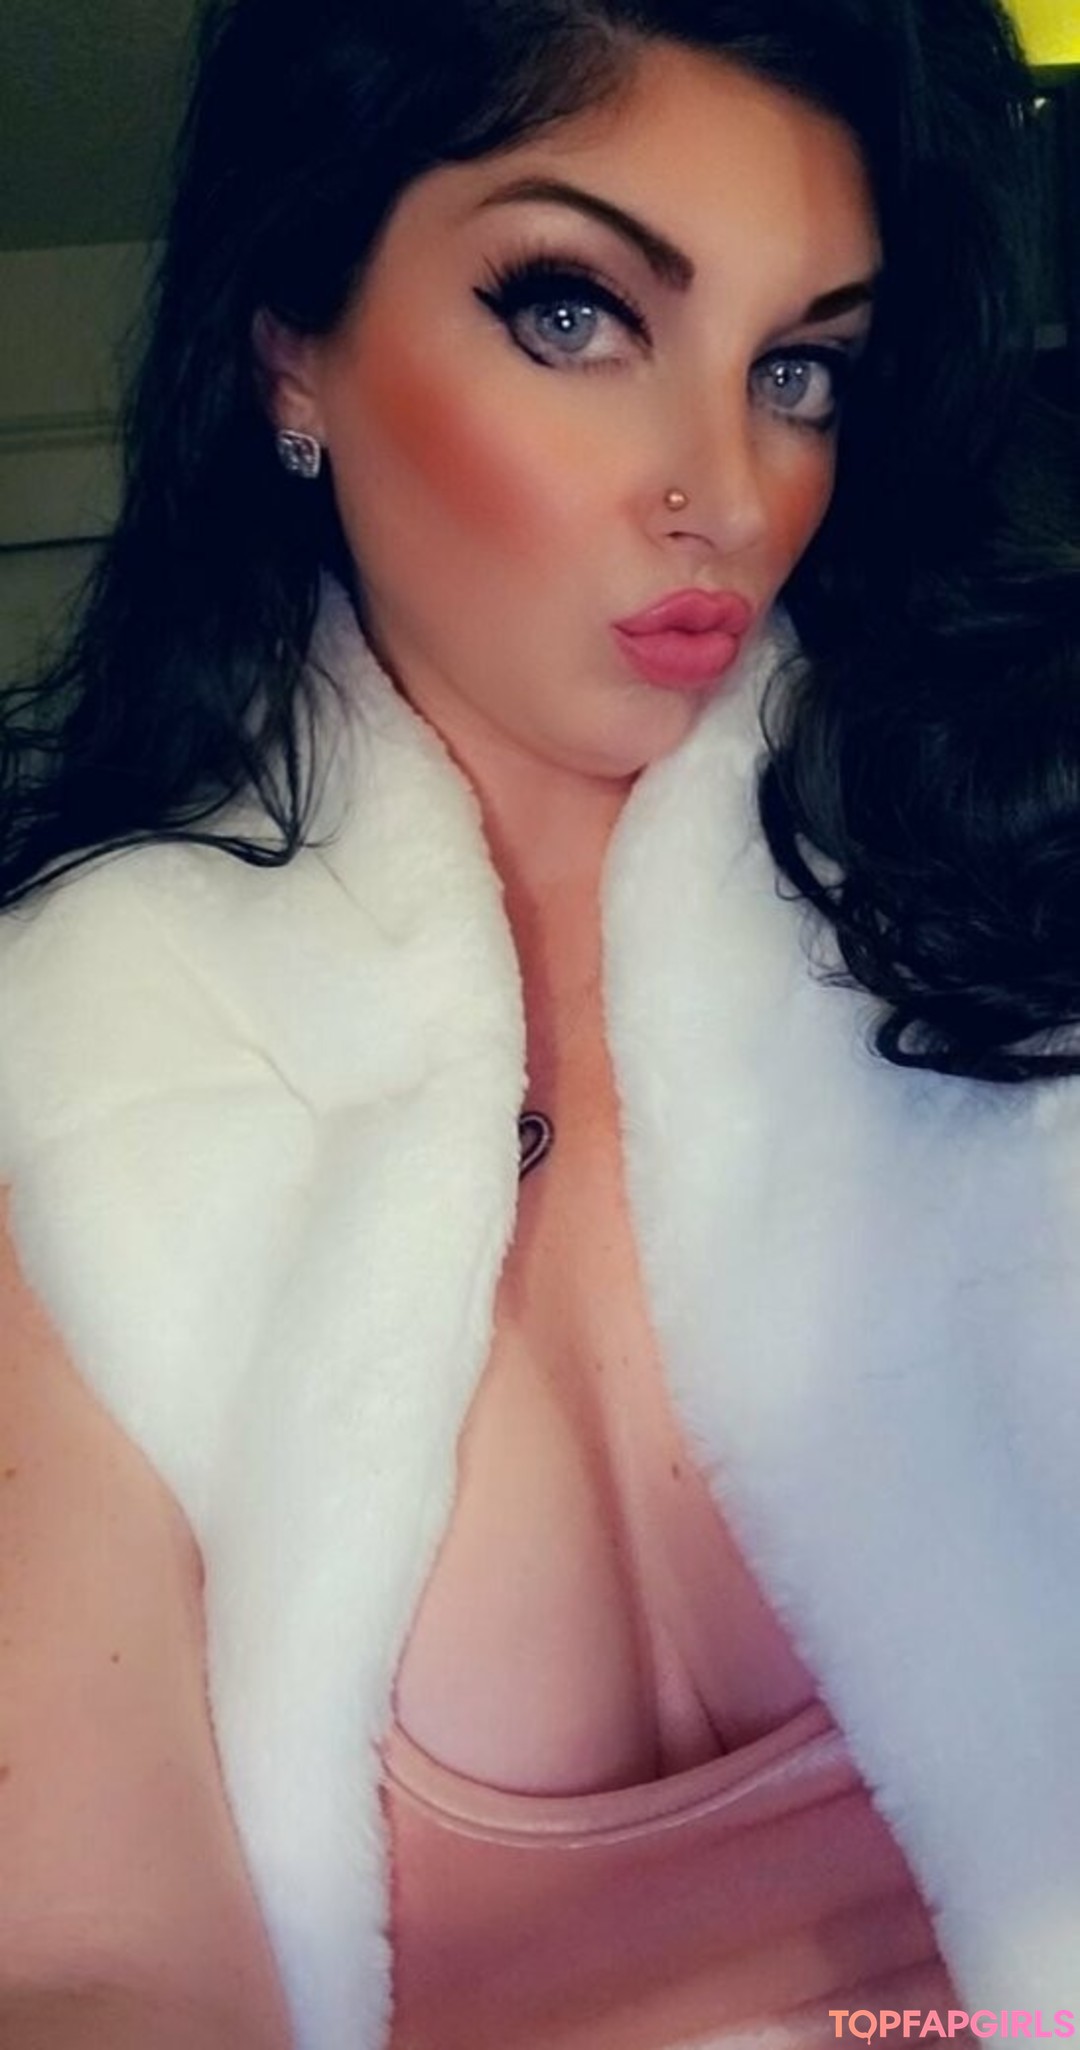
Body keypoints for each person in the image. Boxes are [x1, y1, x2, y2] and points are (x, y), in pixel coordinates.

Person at [1, 1, 1079, 2045]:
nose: (726, 491)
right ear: (293, 352)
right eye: (576, 313)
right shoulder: (80, 1067)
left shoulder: (1014, 867)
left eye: (800, 366)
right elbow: (88, 1965)